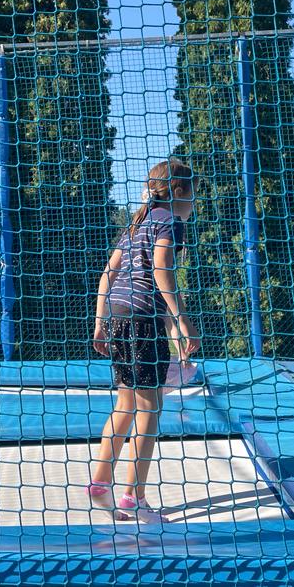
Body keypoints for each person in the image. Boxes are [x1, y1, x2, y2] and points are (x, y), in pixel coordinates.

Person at [85, 157, 200, 523]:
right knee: (150, 408)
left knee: (125, 404)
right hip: (141, 321)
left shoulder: (137, 223)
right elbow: (162, 271)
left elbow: (109, 274)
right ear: (179, 192)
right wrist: (183, 321)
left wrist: (100, 323)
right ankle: (133, 496)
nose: (194, 203)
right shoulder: (169, 221)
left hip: (119, 316)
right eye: (193, 195)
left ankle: (100, 482)